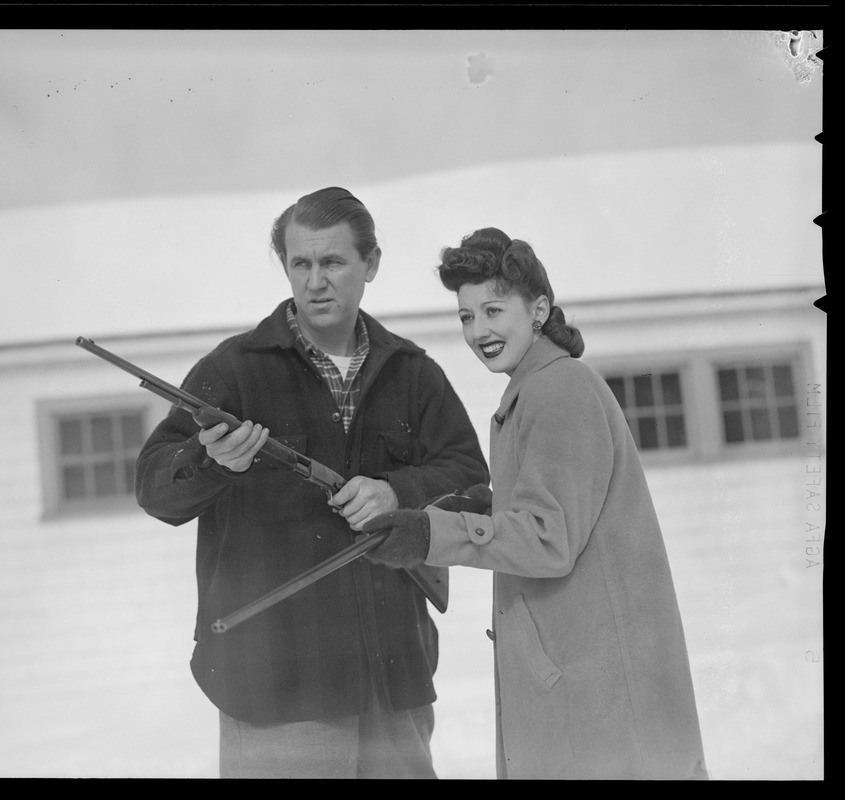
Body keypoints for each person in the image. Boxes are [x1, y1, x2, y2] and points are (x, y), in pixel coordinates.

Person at [135, 187, 488, 779]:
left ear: (370, 265)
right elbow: (154, 488)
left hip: (390, 679)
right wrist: (214, 459)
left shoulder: (413, 373)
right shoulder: (232, 369)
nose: (315, 281)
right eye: (301, 264)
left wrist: (397, 490)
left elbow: (471, 480)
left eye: (333, 262)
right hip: (275, 688)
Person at [362, 228, 709, 780]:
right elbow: (556, 513)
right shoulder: (534, 391)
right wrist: (482, 510)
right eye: (466, 316)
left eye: (493, 310)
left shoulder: (558, 390)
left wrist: (432, 534)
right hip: (579, 683)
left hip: (597, 701)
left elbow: (550, 539)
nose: (479, 332)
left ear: (539, 309)